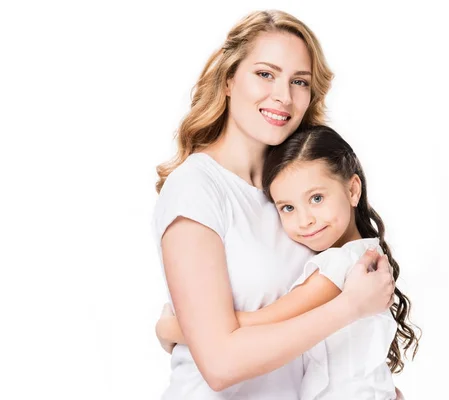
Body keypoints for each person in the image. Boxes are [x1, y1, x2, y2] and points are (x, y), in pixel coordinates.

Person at [152, 9, 397, 400]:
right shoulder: (197, 188)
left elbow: (331, 339)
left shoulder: (294, 189)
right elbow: (220, 365)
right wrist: (350, 308)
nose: (283, 95)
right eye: (265, 74)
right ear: (229, 79)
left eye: (298, 81)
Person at [157, 125, 420, 399]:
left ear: (353, 190)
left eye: (317, 198)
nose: (304, 219)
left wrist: (172, 328)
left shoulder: (342, 268)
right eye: (288, 208)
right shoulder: (363, 256)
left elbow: (263, 323)